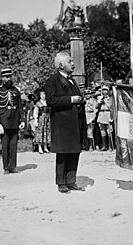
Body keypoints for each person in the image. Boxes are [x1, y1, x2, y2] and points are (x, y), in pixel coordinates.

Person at [44, 51, 86, 194]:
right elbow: (51, 101)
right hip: (61, 123)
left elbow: (78, 97)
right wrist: (71, 100)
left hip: (74, 122)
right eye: (70, 61)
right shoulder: (52, 81)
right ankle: (61, 183)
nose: (73, 64)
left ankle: (71, 181)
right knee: (62, 153)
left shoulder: (72, 80)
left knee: (74, 151)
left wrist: (81, 99)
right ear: (61, 65)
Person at [0, 68, 25, 174]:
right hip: (4, 121)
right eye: (6, 77)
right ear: (2, 78)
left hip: (15, 120)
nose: (9, 78)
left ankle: (13, 166)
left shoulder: (16, 90)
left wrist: (23, 120)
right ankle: (6, 167)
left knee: (13, 145)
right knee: (5, 145)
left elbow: (20, 106)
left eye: (10, 76)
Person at [33, 90, 51, 154]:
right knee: (40, 132)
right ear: (40, 96)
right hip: (41, 119)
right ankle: (40, 147)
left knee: (47, 132)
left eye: (44, 95)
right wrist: (36, 120)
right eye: (42, 95)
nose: (43, 96)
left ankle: (45, 147)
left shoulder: (48, 103)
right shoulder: (38, 103)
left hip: (47, 119)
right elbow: (35, 112)